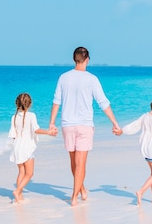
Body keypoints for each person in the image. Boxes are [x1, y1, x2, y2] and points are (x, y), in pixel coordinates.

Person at [49, 46, 120, 206]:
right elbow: (103, 103)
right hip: (85, 126)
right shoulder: (92, 79)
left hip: (68, 124)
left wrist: (52, 123)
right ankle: (75, 196)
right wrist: (115, 123)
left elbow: (56, 102)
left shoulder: (63, 77)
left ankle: (81, 190)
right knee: (81, 163)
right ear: (87, 59)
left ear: (75, 59)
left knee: (74, 162)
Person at [116, 97, 152, 205]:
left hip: (146, 147)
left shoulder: (145, 116)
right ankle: (141, 191)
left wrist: (122, 131)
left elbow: (134, 126)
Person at [9, 92, 57, 204]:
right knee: (29, 174)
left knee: (21, 171)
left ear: (17, 104)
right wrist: (48, 132)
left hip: (17, 147)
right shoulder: (31, 116)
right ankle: (17, 191)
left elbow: (13, 134)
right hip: (26, 148)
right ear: (30, 104)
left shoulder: (14, 117)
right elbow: (36, 130)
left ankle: (19, 197)